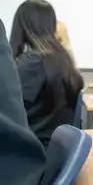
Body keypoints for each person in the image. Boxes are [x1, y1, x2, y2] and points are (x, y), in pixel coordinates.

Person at [10, 0, 84, 147]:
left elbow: (9, 110)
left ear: (21, 25)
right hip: (53, 149)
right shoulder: (61, 57)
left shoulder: (33, 62)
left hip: (31, 153)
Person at [0, 19, 47, 185]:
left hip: (35, 142)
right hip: (33, 155)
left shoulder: (32, 61)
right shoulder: (61, 57)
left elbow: (18, 104)